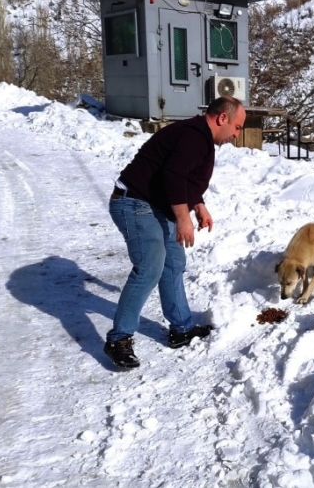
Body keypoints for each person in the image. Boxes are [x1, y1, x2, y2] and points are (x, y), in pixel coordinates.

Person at [104, 96, 246, 369]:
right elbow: (172, 176)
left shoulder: (200, 137)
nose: (237, 135)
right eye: (238, 127)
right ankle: (118, 339)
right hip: (133, 202)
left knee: (173, 264)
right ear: (222, 118)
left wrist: (199, 205)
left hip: (154, 204)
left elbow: (186, 178)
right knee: (149, 267)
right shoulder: (194, 137)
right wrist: (183, 217)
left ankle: (181, 329)